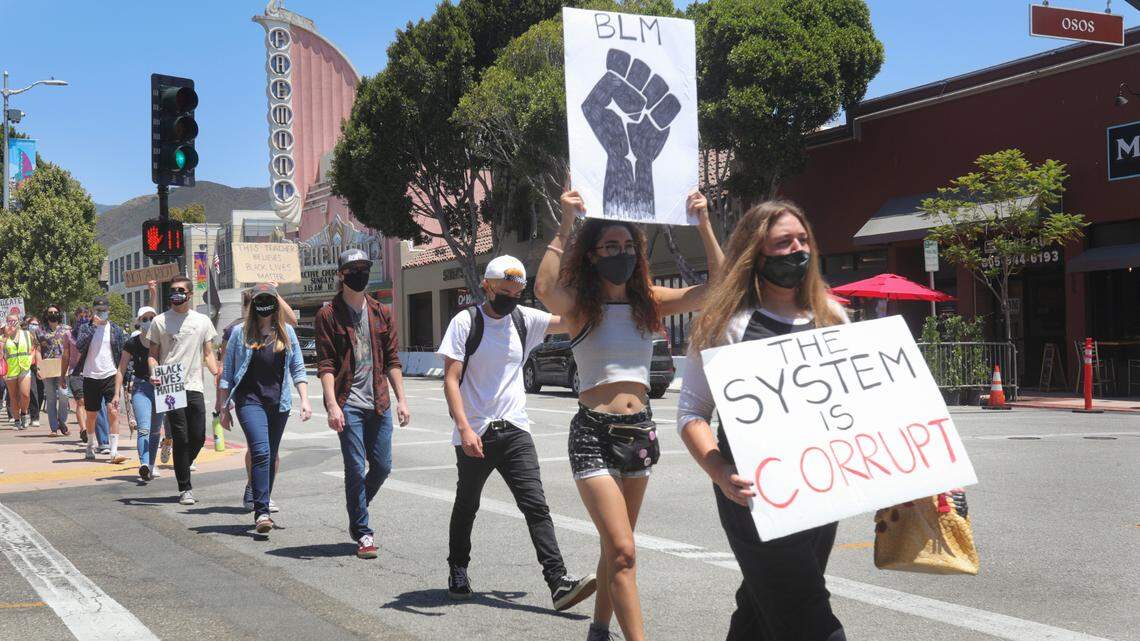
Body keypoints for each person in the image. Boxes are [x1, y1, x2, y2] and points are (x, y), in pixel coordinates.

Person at [535, 189, 721, 641]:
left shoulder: (649, 301)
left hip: (639, 432)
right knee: (622, 550)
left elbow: (717, 288)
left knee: (617, 547)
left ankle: (599, 629)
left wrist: (703, 224)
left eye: (627, 247)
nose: (621, 254)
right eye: (610, 247)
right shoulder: (579, 305)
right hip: (592, 434)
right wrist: (565, 222)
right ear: (593, 255)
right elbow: (544, 290)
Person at [678, 201, 849, 641]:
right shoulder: (726, 324)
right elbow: (692, 413)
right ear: (756, 254)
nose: (797, 250)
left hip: (822, 489)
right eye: (783, 243)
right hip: (754, 494)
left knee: (762, 606)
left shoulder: (832, 316)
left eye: (803, 240)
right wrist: (719, 472)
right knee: (809, 616)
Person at [439, 255, 597, 611]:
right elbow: (451, 378)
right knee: (467, 504)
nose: (511, 298)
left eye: (517, 292)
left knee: (535, 505)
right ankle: (458, 568)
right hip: (475, 431)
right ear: (487, 286)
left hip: (514, 429)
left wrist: (588, 288)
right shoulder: (466, 322)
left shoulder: (525, 319)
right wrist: (463, 428)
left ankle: (558, 582)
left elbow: (569, 321)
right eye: (504, 291)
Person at [315, 249, 409, 559]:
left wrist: (402, 400)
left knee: (382, 466)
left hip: (379, 401)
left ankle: (357, 507)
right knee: (355, 466)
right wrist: (332, 405)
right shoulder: (328, 315)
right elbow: (326, 364)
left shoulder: (382, 312)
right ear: (341, 275)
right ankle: (363, 532)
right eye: (353, 269)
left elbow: (392, 360)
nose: (360, 274)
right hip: (348, 402)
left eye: (364, 268)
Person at [219, 283, 312, 535]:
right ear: (253, 304)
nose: (264, 304)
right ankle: (262, 512)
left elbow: (298, 368)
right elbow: (227, 372)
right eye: (259, 300)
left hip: (278, 403)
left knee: (270, 455)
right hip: (249, 401)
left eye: (269, 299)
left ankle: (262, 498)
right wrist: (224, 407)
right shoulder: (239, 333)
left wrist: (304, 399)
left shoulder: (286, 333)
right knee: (260, 451)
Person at [147, 275, 219, 505]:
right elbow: (152, 355)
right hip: (169, 384)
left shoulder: (202, 321)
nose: (176, 294)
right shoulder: (159, 321)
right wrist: (153, 372)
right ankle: (185, 488)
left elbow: (208, 353)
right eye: (173, 290)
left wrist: (218, 373)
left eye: (181, 290)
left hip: (194, 384)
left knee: (198, 436)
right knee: (181, 436)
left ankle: (183, 464)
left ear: (190, 294)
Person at [73, 296, 127, 463]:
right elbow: (79, 345)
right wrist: (94, 326)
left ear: (108, 310)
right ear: (93, 311)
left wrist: (125, 376)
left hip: (110, 375)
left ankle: (114, 451)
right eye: (98, 310)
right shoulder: (86, 328)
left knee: (113, 411)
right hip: (91, 376)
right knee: (92, 415)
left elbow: (122, 353)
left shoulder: (116, 330)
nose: (101, 313)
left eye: (103, 310)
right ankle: (90, 444)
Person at [119, 306, 162, 481]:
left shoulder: (163, 340)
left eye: (152, 318)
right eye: (145, 319)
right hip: (141, 388)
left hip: (161, 388)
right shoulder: (132, 343)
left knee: (156, 431)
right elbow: (121, 369)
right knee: (144, 428)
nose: (149, 322)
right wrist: (115, 394)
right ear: (139, 322)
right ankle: (144, 464)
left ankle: (151, 465)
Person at [36, 304, 72, 436]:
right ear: (46, 315)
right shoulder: (40, 330)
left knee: (64, 394)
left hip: (63, 366)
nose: (52, 314)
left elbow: (72, 348)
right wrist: (39, 368)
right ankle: (53, 428)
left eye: (55, 312)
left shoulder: (67, 329)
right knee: (51, 398)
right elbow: (37, 350)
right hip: (47, 366)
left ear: (59, 314)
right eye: (50, 312)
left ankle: (62, 421)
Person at [3, 312, 39, 430]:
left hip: (24, 367)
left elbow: (35, 347)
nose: (12, 323)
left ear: (18, 322)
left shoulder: (27, 334)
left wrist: (31, 358)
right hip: (10, 369)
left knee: (25, 395)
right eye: (9, 321)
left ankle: (24, 413)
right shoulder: (3, 337)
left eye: (14, 321)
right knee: (13, 397)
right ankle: (17, 420)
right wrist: (6, 336)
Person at [24, 316, 44, 428]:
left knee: (40, 391)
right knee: (32, 391)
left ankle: (35, 412)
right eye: (32, 324)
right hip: (29, 366)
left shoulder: (41, 336)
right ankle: (34, 417)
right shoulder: (25, 336)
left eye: (36, 324)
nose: (34, 326)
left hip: (40, 365)